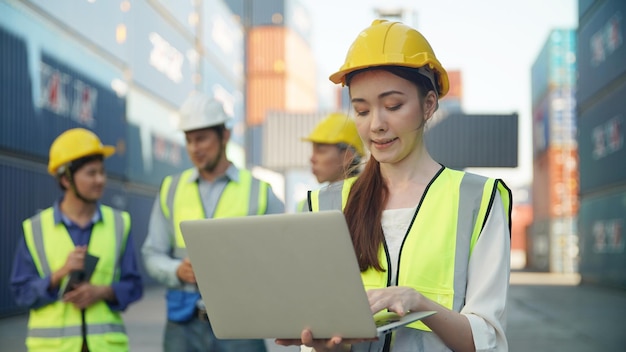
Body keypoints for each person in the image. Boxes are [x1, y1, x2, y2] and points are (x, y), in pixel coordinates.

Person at [277, 19, 512, 352]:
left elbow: (488, 341)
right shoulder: (325, 204)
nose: (376, 125)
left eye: (393, 106)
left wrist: (416, 301)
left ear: (428, 105)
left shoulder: (478, 200)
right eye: (361, 110)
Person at [141, 92, 285, 352]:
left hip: (241, 324)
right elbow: (152, 253)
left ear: (225, 135)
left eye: (202, 138)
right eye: (189, 140)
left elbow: (284, 256)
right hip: (182, 326)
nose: (195, 148)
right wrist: (176, 271)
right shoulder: (171, 189)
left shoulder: (260, 192)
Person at [10, 128, 144, 352]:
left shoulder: (120, 223)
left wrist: (101, 292)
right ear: (65, 178)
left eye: (102, 172)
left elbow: (134, 286)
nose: (100, 180)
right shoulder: (35, 229)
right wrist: (58, 275)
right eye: (91, 173)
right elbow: (21, 292)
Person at [297, 112, 365, 212]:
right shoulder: (313, 201)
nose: (312, 159)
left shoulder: (314, 202)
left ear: (347, 156)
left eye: (320, 150)